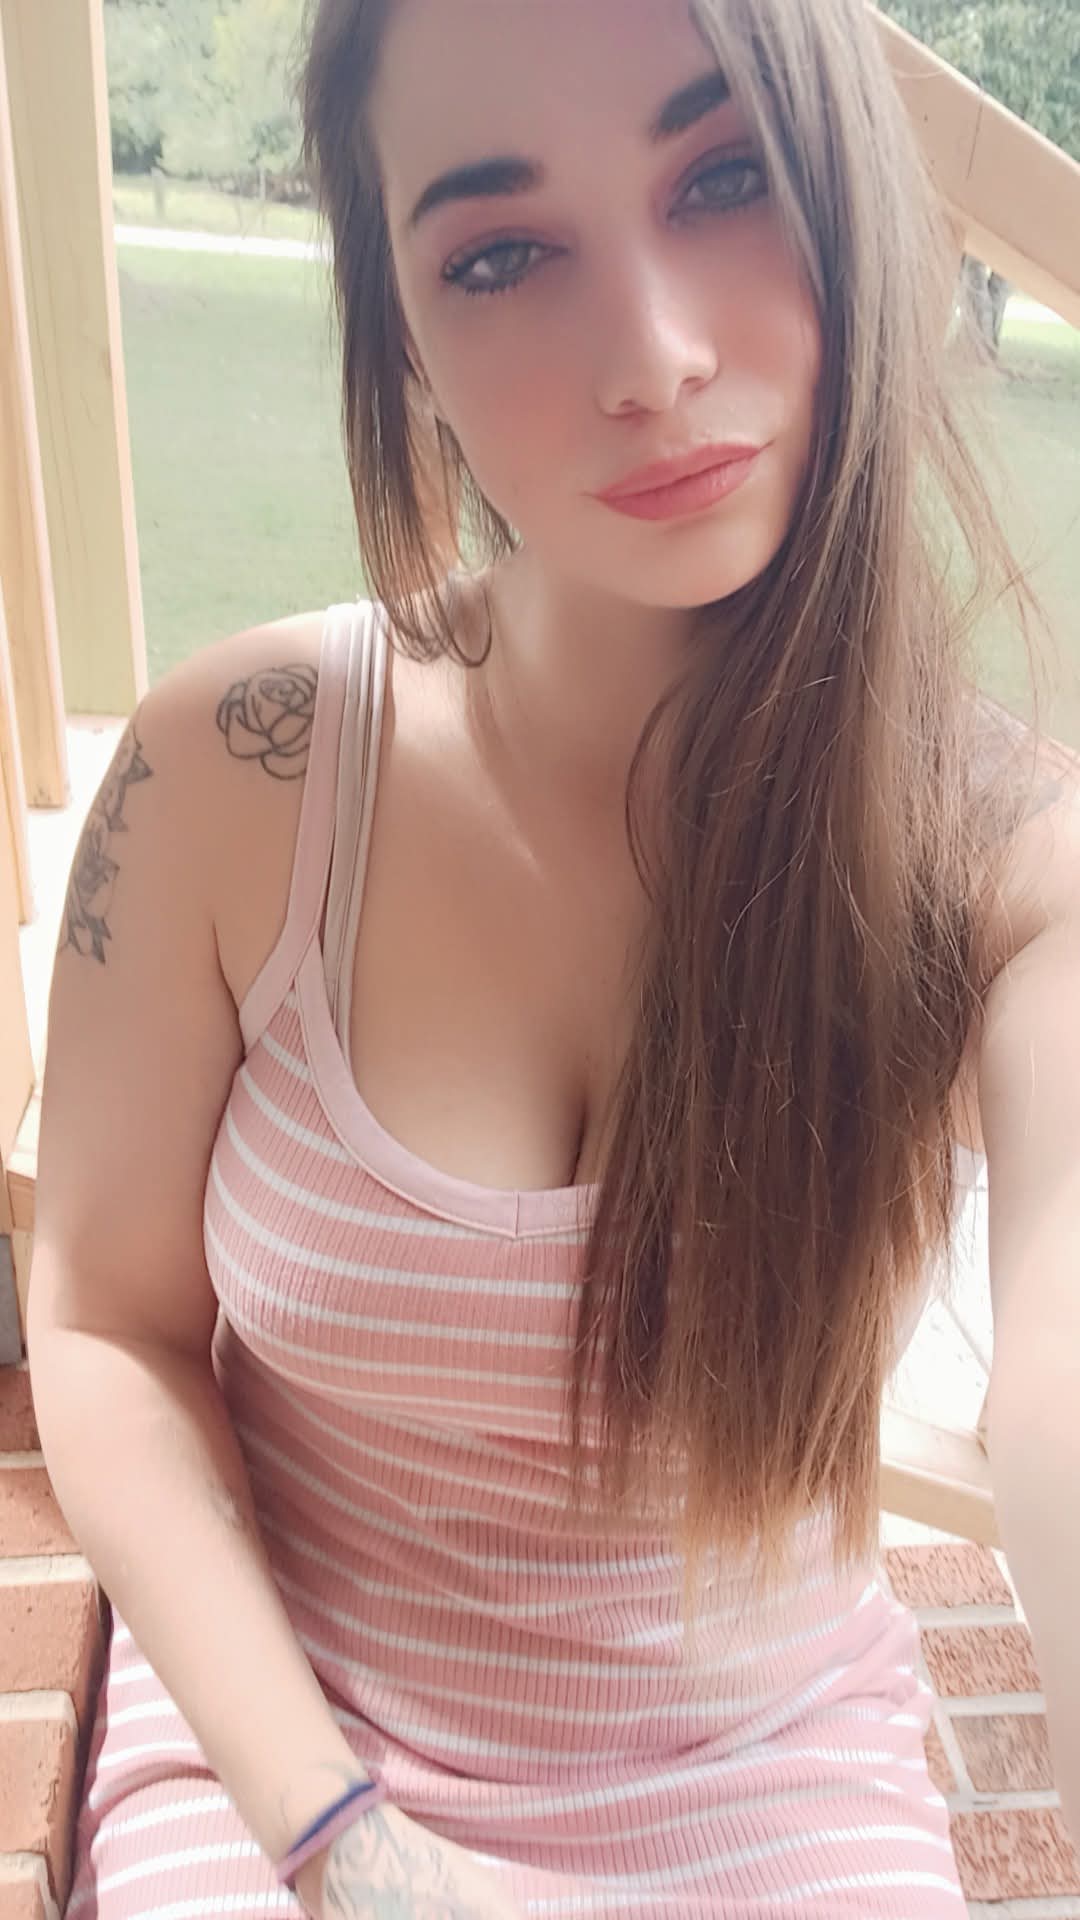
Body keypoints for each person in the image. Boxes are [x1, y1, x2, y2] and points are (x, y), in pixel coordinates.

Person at [27, 0, 1080, 1914]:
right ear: (404, 342)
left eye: (727, 175)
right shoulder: (237, 776)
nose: (653, 358)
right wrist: (344, 1844)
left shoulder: (1006, 864)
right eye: (503, 256)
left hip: (768, 1796)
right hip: (289, 1755)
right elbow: (103, 1319)